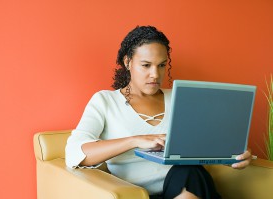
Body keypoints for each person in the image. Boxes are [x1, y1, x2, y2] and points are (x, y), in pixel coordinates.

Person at [65, 25, 252, 199]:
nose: (155, 74)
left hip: (191, 184)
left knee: (188, 171)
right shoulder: (105, 101)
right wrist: (134, 140)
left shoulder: (179, 98)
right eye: (146, 65)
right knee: (188, 174)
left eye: (161, 65)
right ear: (128, 62)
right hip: (141, 194)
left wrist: (234, 156)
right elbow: (75, 152)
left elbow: (207, 145)